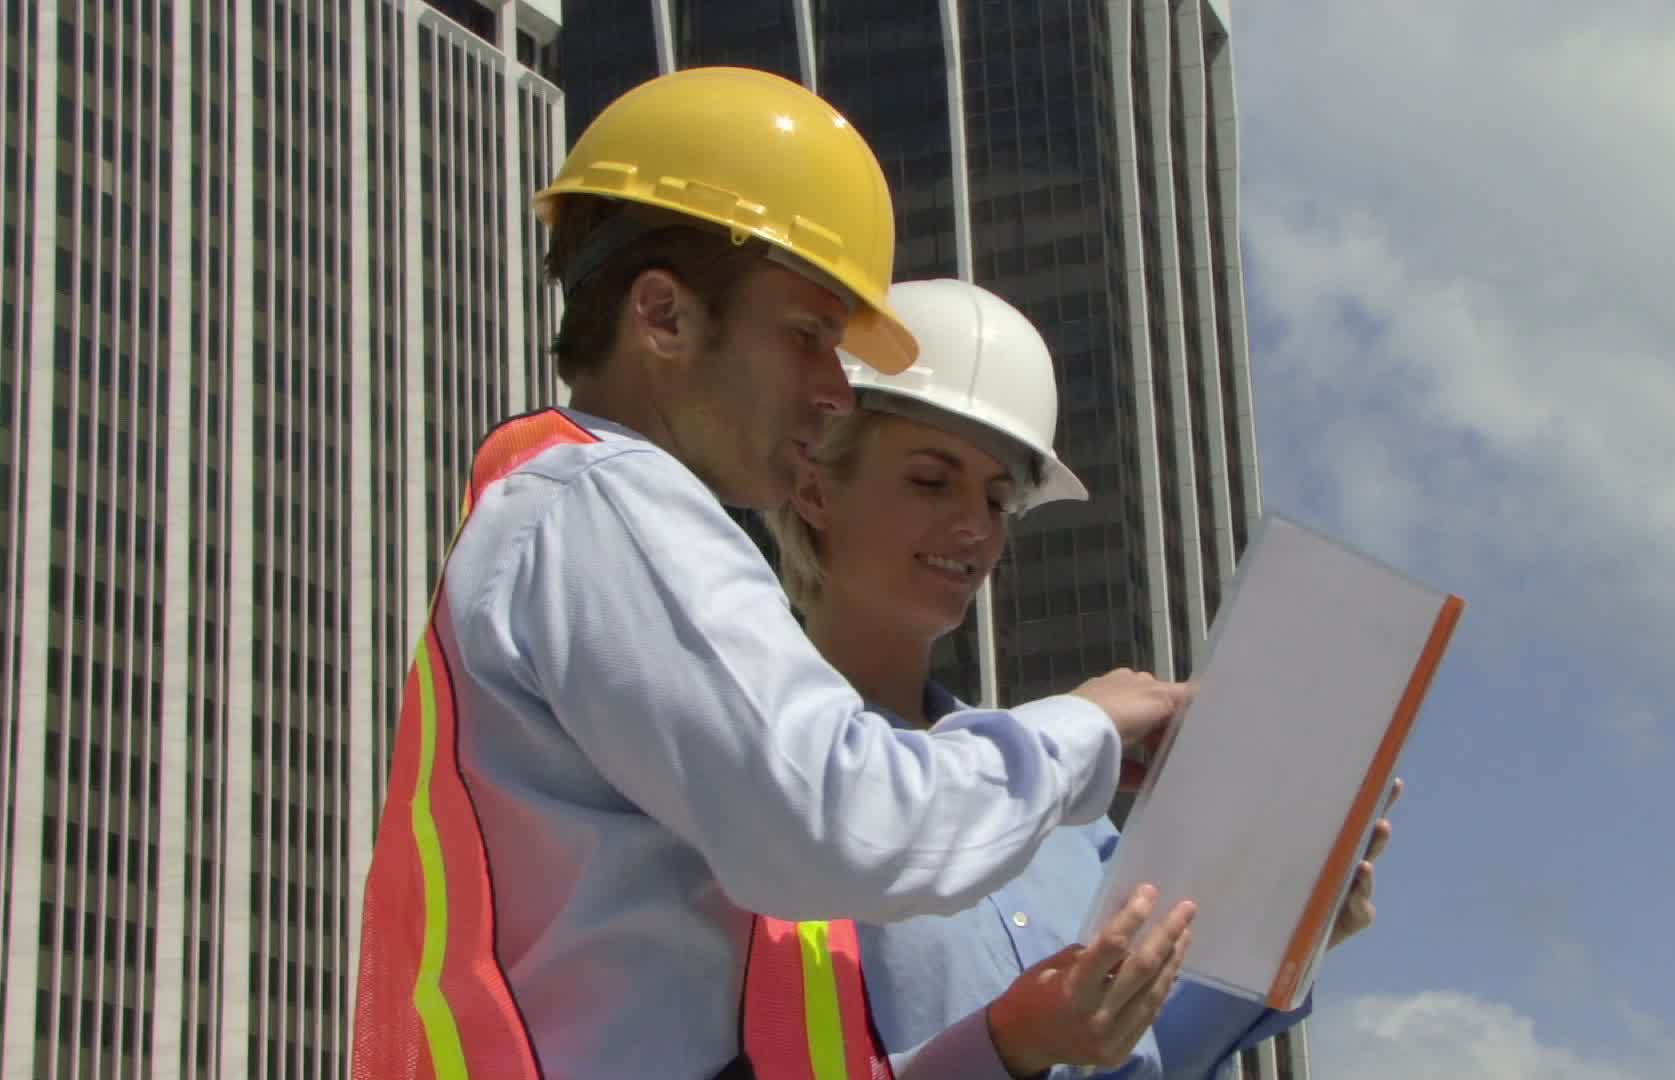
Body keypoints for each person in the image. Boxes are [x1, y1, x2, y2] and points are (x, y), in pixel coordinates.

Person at [351, 68, 1197, 1079]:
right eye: (808, 337)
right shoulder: (607, 498)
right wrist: (1088, 728)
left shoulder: (587, 533)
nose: (835, 390)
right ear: (662, 316)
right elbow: (849, 817)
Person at [764, 278, 1399, 1079]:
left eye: (998, 501)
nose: (973, 527)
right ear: (817, 489)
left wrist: (1290, 936)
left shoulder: (1073, 822)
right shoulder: (754, 769)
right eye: (932, 480)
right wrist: (1008, 1048)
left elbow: (1146, 1058)